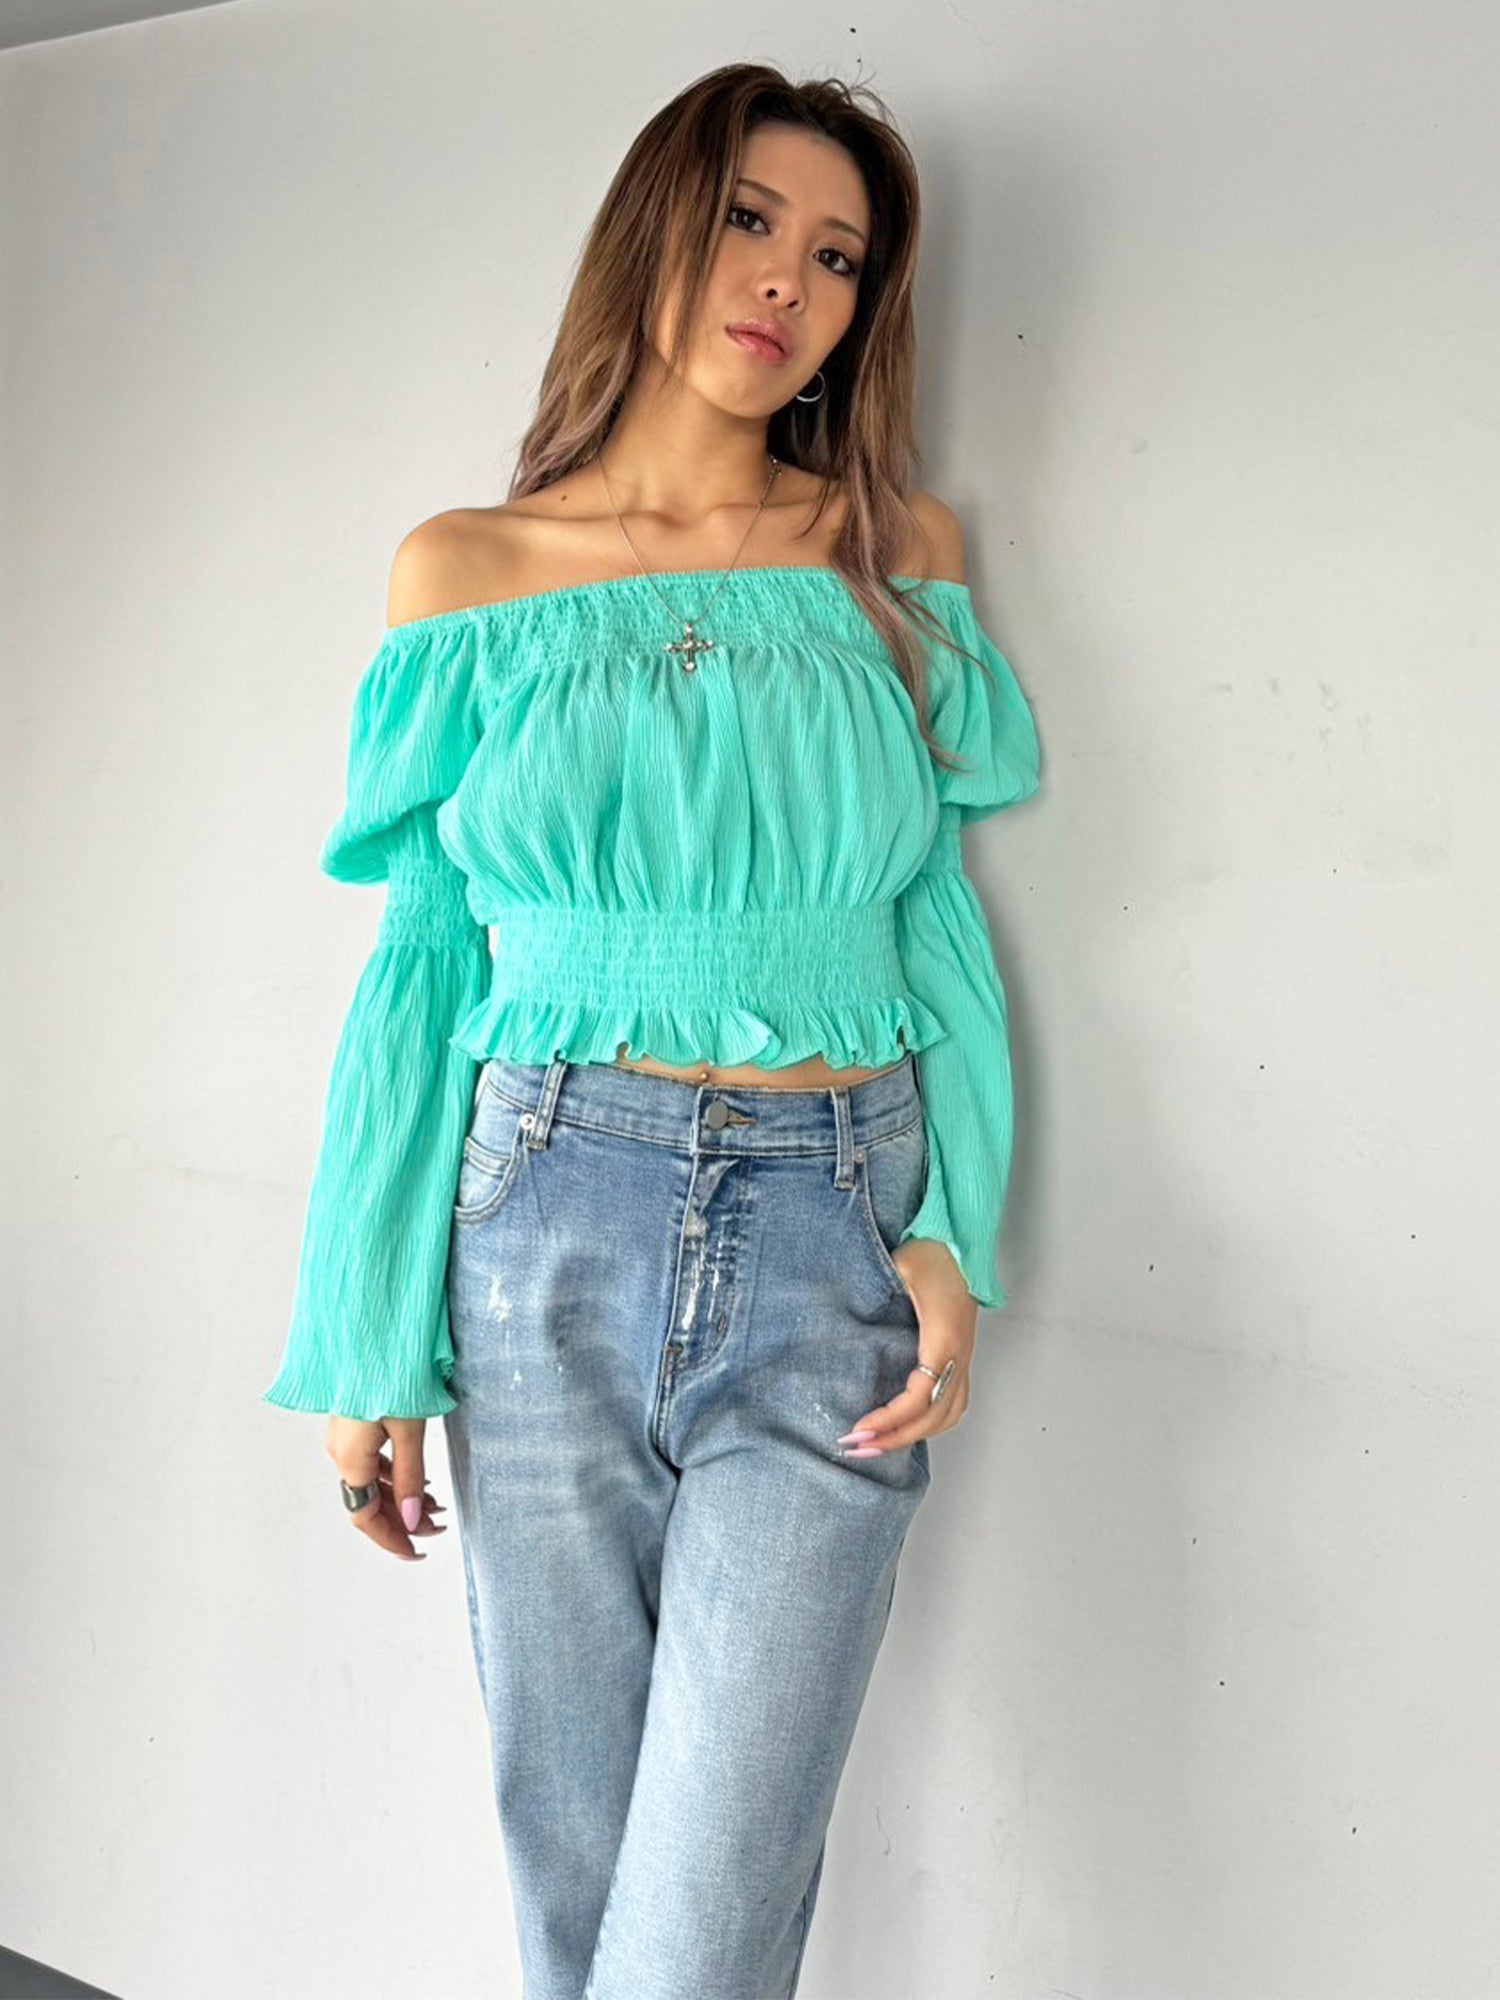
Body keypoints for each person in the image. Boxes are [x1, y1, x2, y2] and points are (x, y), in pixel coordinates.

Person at [262, 61, 1042, 2000]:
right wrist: (366, 1332)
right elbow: (422, 964)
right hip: (542, 1213)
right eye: (752, 221)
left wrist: (957, 1228)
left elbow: (932, 915)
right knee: (576, 1875)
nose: (790, 281)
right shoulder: (467, 574)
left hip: (831, 1225)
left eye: (840, 257)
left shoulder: (892, 556)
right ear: (656, 232)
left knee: (695, 1923)